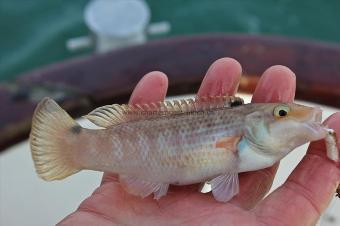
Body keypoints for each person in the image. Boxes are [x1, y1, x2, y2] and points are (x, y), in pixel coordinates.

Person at [58, 58, 340, 226]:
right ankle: (72, 150)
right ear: (248, 126)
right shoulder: (245, 144)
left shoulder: (255, 150)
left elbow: (223, 186)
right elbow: (223, 188)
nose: (292, 116)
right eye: (281, 113)